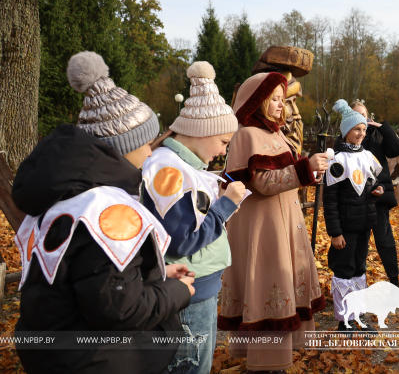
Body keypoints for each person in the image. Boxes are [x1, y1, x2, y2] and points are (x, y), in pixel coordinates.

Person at [11, 51, 195, 374]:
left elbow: (89, 279)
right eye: (147, 142)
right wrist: (177, 292)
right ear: (126, 147)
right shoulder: (105, 209)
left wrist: (157, 274)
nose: (152, 150)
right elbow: (119, 309)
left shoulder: (74, 195)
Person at [216, 72, 328, 373]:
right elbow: (262, 182)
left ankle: (277, 358)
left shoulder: (274, 132)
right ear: (259, 101)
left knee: (283, 282)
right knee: (268, 284)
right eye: (276, 99)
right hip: (263, 227)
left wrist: (310, 171)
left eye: (284, 99)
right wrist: (305, 169)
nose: (283, 106)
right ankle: (265, 362)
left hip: (283, 223)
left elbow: (286, 173)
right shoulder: (246, 134)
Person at [140, 61, 246, 374]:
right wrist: (225, 206)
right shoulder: (170, 171)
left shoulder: (180, 168)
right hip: (189, 292)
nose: (223, 152)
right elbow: (178, 242)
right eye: (224, 142)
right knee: (190, 367)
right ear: (203, 131)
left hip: (195, 288)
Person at [323, 100, 384, 332]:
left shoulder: (367, 156)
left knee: (359, 269)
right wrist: (335, 232)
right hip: (345, 227)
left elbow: (374, 184)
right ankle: (344, 320)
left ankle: (358, 314)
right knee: (344, 271)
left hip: (364, 225)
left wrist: (379, 190)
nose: (361, 133)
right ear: (346, 131)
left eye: (363, 130)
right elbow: (330, 201)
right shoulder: (336, 161)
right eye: (356, 129)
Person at [348, 100, 399, 287]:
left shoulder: (377, 135)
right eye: (355, 114)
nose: (359, 118)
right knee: (359, 243)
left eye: (363, 115)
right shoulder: (344, 139)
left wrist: (383, 128)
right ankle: (358, 282)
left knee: (384, 239)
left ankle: (394, 280)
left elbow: (396, 150)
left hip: (378, 197)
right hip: (356, 200)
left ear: (368, 117)